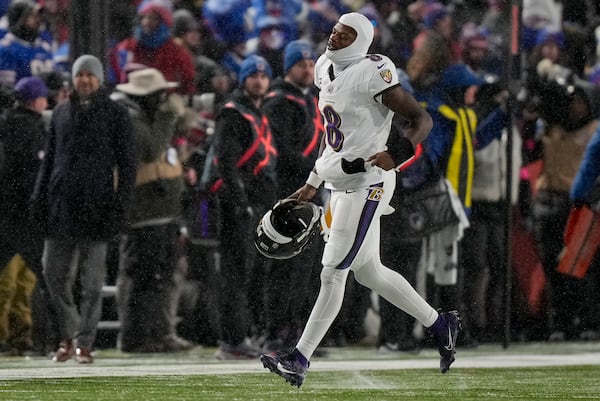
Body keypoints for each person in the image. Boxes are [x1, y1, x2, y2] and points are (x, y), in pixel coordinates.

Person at [260, 12, 460, 388]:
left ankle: (299, 358)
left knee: (332, 271)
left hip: (369, 180)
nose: (335, 37)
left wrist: (396, 153)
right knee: (369, 271)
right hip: (339, 180)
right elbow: (333, 137)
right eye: (335, 30)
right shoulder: (323, 68)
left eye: (345, 33)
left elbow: (421, 120)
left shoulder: (374, 71)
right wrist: (312, 181)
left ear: (361, 40)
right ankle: (440, 323)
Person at [31, 54, 137, 364]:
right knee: (52, 274)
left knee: (91, 283)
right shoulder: (61, 113)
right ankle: (70, 334)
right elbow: (50, 160)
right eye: (80, 75)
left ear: (99, 78)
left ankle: (83, 342)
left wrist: (120, 204)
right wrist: (41, 199)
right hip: (62, 206)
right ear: (73, 79)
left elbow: (128, 166)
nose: (85, 80)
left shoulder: (116, 114)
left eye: (90, 75)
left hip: (98, 207)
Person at [202, 54, 278, 359]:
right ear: (243, 79)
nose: (258, 80)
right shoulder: (233, 114)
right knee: (235, 273)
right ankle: (232, 338)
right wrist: (240, 202)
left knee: (251, 272)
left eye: (263, 76)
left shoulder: (256, 112)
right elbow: (227, 164)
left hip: (256, 202)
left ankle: (243, 333)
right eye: (253, 75)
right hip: (239, 205)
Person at [113, 67, 193, 353]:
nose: (164, 99)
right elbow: (152, 149)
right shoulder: (130, 120)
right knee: (141, 279)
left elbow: (187, 127)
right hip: (142, 214)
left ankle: (161, 332)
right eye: (159, 95)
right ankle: (135, 337)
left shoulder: (147, 117)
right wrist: (169, 115)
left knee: (163, 276)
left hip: (163, 212)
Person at [260, 40, 324, 352]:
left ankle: (299, 330)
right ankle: (276, 330)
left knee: (308, 267)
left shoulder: (311, 98)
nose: (308, 69)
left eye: (312, 64)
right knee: (283, 265)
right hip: (289, 191)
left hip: (312, 190)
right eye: (302, 64)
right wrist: (316, 169)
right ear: (289, 67)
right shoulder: (279, 102)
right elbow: (282, 151)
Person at [0, 76, 49, 355]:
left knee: (13, 281)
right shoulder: (29, 130)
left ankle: (16, 337)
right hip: (23, 216)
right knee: (26, 281)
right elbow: (32, 175)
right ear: (37, 100)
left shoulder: (8, 125)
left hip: (8, 213)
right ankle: (26, 338)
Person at [110, 0, 195, 96]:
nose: (146, 22)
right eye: (144, 17)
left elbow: (188, 86)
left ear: (164, 22)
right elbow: (115, 79)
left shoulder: (179, 54)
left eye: (154, 18)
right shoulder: (126, 47)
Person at [0, 0, 54, 87]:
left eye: (38, 16)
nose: (38, 20)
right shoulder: (7, 50)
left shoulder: (44, 47)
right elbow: (7, 91)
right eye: (32, 16)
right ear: (19, 20)